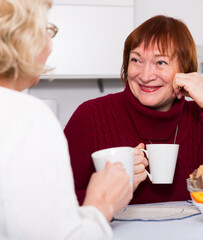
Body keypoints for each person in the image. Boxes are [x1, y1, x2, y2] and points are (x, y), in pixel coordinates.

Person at [64, 15, 203, 205]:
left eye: (160, 62)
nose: (146, 76)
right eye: (136, 60)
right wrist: (111, 192)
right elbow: (54, 203)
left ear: (185, 71)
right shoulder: (90, 116)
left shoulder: (201, 119)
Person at [0, 0, 132, 239]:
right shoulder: (27, 117)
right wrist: (101, 205)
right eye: (46, 30)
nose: (50, 45)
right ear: (22, 38)